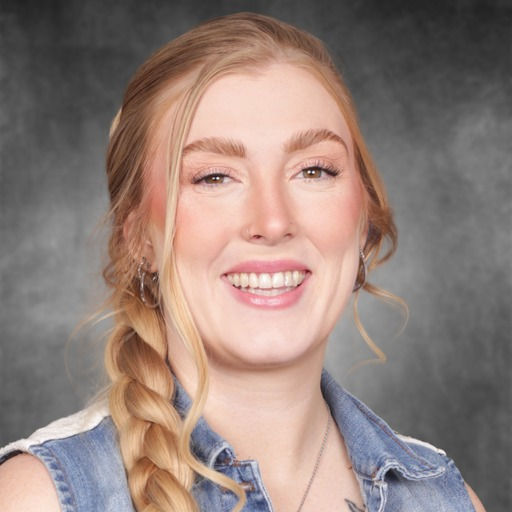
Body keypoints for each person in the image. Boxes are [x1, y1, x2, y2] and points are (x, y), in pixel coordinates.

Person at [0, 12, 485, 512]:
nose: (273, 222)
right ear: (139, 238)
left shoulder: (446, 499)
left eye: (314, 170)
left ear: (363, 220)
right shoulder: (39, 498)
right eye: (214, 177)